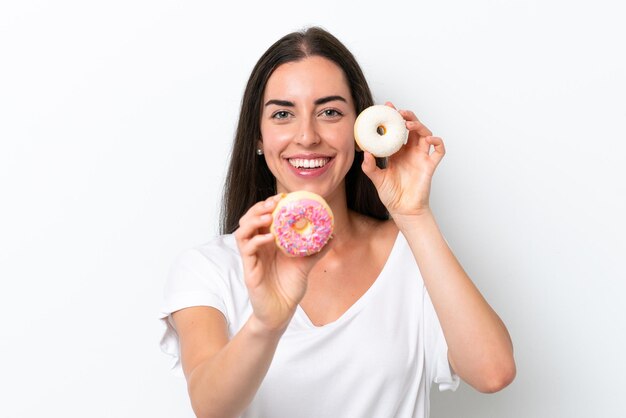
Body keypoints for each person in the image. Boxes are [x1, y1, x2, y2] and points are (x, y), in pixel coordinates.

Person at [159, 26, 516, 418]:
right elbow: (211, 408)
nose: (308, 137)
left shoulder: (411, 253)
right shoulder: (211, 268)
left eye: (330, 112)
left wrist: (414, 216)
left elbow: (493, 372)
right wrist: (266, 323)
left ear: (361, 129)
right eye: (282, 114)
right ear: (258, 137)